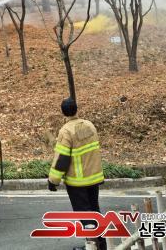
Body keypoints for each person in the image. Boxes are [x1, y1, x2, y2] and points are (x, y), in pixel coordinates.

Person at [47, 98, 106, 250]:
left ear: (63, 112)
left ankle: (93, 246)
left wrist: (53, 181)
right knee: (94, 211)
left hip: (78, 182)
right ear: (77, 109)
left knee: (85, 215)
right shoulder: (89, 125)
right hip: (94, 178)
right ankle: (101, 244)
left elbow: (62, 159)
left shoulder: (66, 131)